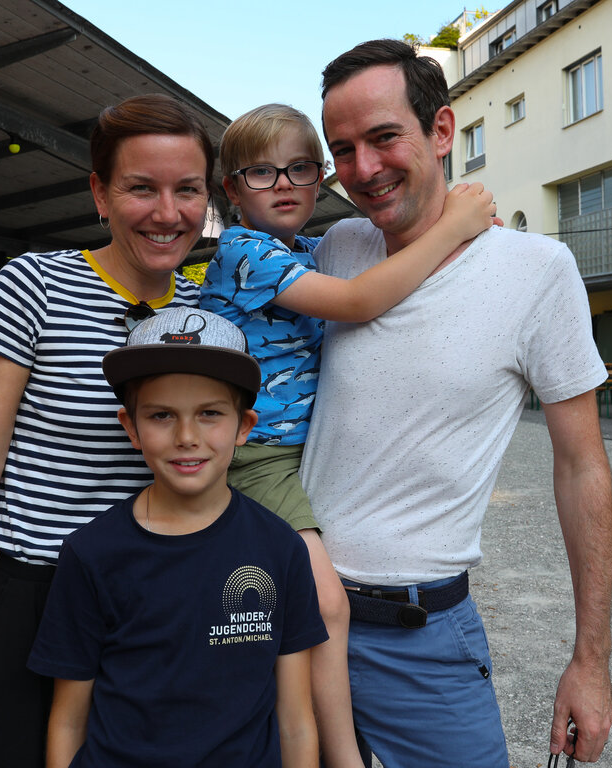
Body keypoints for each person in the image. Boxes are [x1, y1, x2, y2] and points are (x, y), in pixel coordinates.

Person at [0, 94, 214, 768]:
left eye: (186, 190)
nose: (168, 213)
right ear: (100, 193)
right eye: (141, 188)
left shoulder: (212, 314)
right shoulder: (36, 285)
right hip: (38, 600)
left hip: (167, 602)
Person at [299, 39, 612, 767]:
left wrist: (589, 662)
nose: (363, 170)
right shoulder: (334, 249)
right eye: (342, 151)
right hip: (294, 620)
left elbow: (581, 468)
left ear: (441, 132)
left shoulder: (535, 271)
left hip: (418, 637)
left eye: (383, 138)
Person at [199, 102, 497, 767]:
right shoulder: (246, 252)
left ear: (318, 178)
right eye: (260, 172)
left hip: (293, 460)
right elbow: (361, 301)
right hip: (256, 460)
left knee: (291, 612)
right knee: (328, 607)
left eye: (299, 168)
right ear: (232, 190)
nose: (282, 183)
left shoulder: (305, 250)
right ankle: (342, 758)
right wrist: (453, 225)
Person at [28, 307, 328, 767]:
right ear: (131, 428)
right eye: (162, 415)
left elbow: (295, 719)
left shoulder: (280, 548)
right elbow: (69, 719)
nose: (187, 437)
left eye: (209, 413)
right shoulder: (91, 553)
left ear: (244, 427)